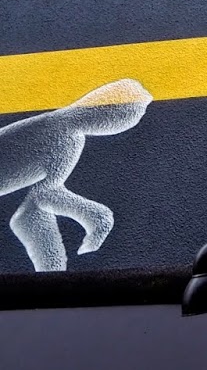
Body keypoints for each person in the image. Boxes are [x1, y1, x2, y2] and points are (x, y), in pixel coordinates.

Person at [0, 78, 150, 271]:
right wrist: (100, 219)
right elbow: (44, 196)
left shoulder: (59, 125)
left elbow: (34, 207)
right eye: (134, 113)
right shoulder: (66, 135)